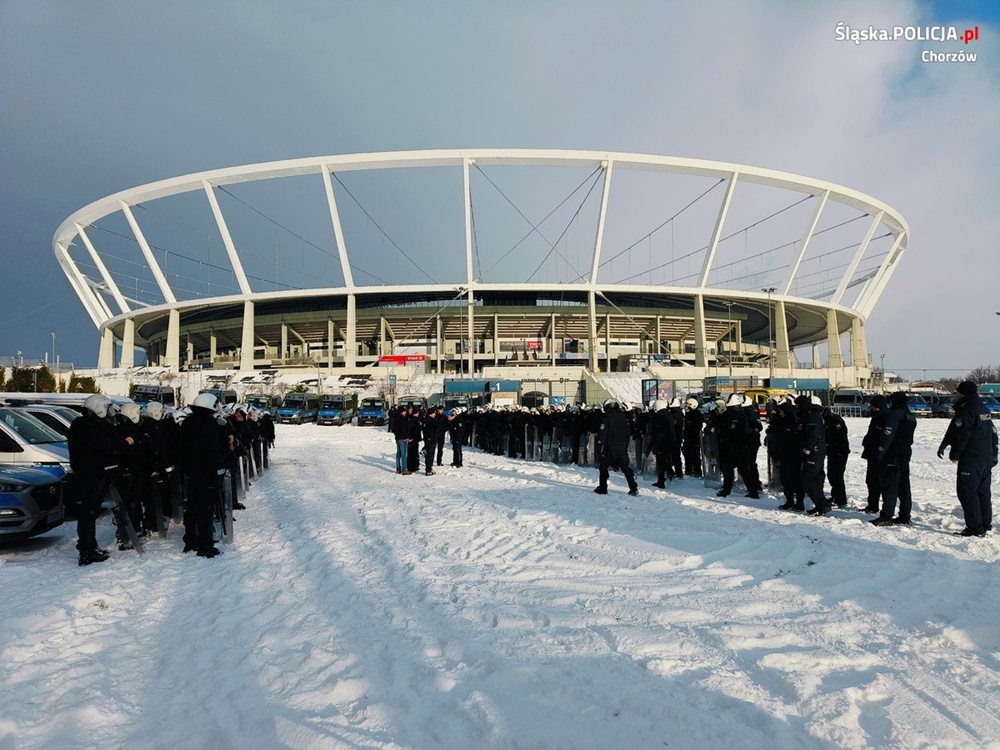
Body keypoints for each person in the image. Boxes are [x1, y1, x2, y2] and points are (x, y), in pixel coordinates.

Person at [68, 394, 133, 566]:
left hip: (96, 475)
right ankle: (87, 551)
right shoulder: (87, 427)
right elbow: (107, 446)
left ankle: (90, 546)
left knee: (90, 513)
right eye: (107, 408)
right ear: (98, 409)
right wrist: (125, 444)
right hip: (91, 477)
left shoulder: (89, 425)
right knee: (88, 514)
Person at [943, 381, 998, 536]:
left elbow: (963, 435)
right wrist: (994, 454)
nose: (956, 395)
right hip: (985, 457)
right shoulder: (983, 408)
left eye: (958, 392)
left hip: (972, 457)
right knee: (982, 492)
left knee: (967, 492)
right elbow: (993, 433)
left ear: (963, 393)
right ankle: (985, 524)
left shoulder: (967, 409)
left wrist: (955, 454)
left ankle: (975, 527)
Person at [179, 392, 227, 557]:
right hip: (206, 473)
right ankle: (205, 545)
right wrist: (219, 469)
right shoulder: (208, 424)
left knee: (192, 507)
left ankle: (190, 540)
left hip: (191, 472)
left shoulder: (188, 421)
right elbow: (212, 450)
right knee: (206, 509)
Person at [871, 391, 917, 527]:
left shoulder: (895, 414)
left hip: (892, 454)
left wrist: (880, 452)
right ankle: (904, 515)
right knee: (904, 486)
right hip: (905, 453)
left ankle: (886, 516)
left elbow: (888, 435)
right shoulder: (910, 415)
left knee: (890, 486)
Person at [594, 400, 639, 496]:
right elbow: (627, 432)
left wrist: (599, 447)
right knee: (625, 467)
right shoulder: (622, 416)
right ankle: (633, 488)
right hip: (622, 446)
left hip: (610, 447)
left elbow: (603, 433)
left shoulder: (606, 417)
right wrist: (625, 445)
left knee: (603, 466)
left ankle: (603, 488)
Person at [797, 395, 828, 515]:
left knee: (809, 478)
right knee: (814, 478)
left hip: (814, 452)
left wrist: (808, 450)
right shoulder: (815, 415)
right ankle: (821, 504)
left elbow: (812, 436)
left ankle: (822, 505)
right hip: (817, 450)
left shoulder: (813, 416)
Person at [772, 397, 805, 511]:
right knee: (785, 480)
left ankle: (799, 502)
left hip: (793, 455)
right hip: (783, 454)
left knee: (796, 479)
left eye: (780, 411)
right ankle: (789, 501)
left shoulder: (794, 421)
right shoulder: (780, 421)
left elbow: (799, 439)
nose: (779, 413)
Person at [860, 395, 888, 514]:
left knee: (880, 482)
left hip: (881, 455)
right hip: (871, 454)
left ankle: (885, 509)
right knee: (871, 481)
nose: (872, 409)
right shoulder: (876, 417)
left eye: (874, 407)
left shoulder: (886, 417)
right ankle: (872, 505)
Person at [823, 407, 850, 508]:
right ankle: (836, 496)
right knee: (832, 474)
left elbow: (840, 435)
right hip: (833, 451)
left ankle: (840, 499)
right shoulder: (828, 420)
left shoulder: (834, 420)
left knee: (837, 476)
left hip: (840, 451)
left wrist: (830, 444)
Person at [648, 400, 675, 489]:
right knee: (665, 460)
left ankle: (661, 480)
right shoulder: (667, 415)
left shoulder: (660, 418)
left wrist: (655, 443)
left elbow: (658, 433)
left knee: (661, 462)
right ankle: (668, 475)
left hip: (662, 443)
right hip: (666, 442)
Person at [682, 397, 703, 477]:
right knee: (687, 454)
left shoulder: (697, 415)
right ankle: (689, 470)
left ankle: (697, 471)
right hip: (688, 438)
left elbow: (696, 428)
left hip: (695, 439)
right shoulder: (688, 415)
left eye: (688, 406)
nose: (687, 408)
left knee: (695, 455)